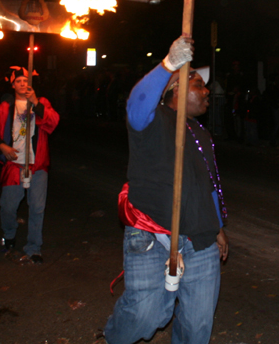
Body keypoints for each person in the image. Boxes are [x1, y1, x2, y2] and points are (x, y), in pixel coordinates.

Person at [105, 37, 228, 344]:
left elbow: (208, 185)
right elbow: (136, 104)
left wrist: (218, 228)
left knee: (197, 324)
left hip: (200, 238)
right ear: (177, 90)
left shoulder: (201, 133)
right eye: (198, 85)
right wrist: (168, 65)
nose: (207, 91)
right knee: (146, 313)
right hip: (153, 233)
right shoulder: (151, 120)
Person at [0, 67, 59, 264]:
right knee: (8, 207)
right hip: (14, 166)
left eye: (26, 80)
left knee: (37, 208)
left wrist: (35, 102)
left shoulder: (41, 102)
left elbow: (53, 122)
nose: (23, 84)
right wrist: (2, 146)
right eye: (18, 81)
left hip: (38, 166)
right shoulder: (5, 107)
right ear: (13, 85)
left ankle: (34, 248)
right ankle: (9, 236)